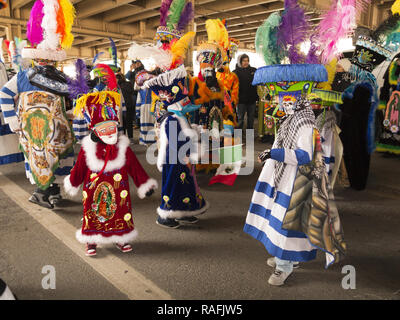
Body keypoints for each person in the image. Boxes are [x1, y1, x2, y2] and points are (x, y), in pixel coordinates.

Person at [64, 77, 157, 256]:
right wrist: (73, 182)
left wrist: (144, 183)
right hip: (92, 191)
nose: (110, 132)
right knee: (92, 213)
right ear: (95, 129)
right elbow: (79, 169)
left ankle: (120, 237)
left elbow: (134, 166)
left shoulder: (122, 146)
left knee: (120, 212)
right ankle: (91, 240)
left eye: (112, 127)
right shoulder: (88, 148)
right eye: (104, 129)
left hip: (119, 190)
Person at [0, 0, 76, 209]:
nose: (46, 62)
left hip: (59, 132)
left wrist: (71, 113)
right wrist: (13, 120)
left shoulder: (62, 78)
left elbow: (73, 100)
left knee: (59, 162)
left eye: (49, 60)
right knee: (41, 163)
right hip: (35, 133)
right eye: (43, 59)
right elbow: (5, 93)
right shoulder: (24, 76)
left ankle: (54, 193)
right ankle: (41, 193)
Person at [233, 54, 258, 130]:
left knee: (251, 120)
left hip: (252, 99)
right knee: (240, 119)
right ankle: (238, 138)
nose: (246, 62)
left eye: (247, 60)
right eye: (244, 61)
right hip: (240, 100)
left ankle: (249, 139)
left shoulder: (254, 70)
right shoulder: (235, 72)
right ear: (240, 61)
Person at [116, 73, 135, 140]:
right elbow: (132, 92)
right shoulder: (128, 84)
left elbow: (131, 92)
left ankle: (125, 137)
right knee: (127, 122)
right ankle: (130, 137)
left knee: (123, 122)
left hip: (124, 106)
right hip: (129, 105)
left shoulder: (119, 86)